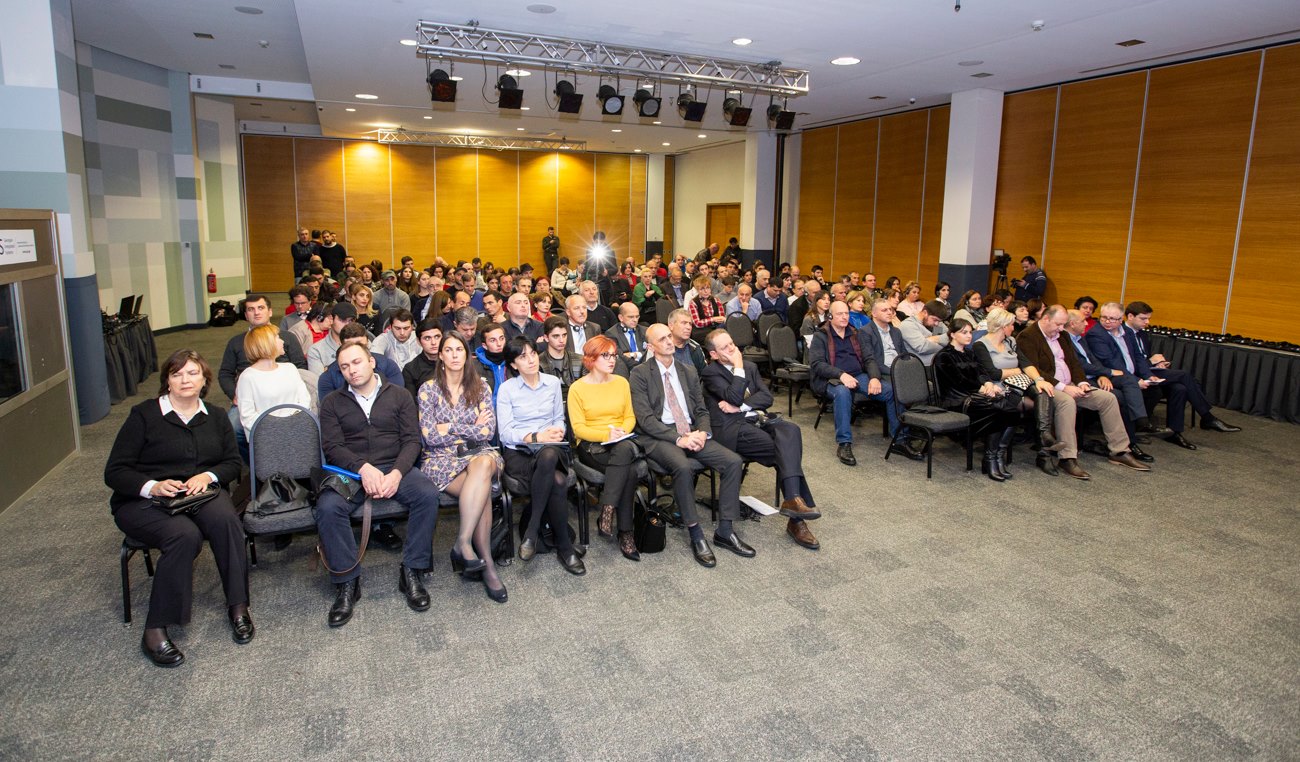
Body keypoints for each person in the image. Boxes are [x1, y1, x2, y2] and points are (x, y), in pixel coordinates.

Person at [106, 349, 249, 667]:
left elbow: (231, 463)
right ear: (167, 381)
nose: (185, 379)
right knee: (184, 536)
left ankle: (238, 606)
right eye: (177, 374)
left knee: (227, 521)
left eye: (192, 373)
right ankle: (155, 630)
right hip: (144, 501)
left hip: (197, 494)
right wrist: (152, 486)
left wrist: (208, 476)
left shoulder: (216, 416)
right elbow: (115, 472)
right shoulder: (144, 415)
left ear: (204, 380)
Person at [316, 342, 441, 626]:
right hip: (351, 471)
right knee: (327, 507)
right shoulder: (332, 402)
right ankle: (347, 582)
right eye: (344, 367)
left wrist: (396, 473)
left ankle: (412, 570)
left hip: (395, 465)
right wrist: (363, 469)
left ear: (372, 362)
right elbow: (332, 447)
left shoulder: (399, 395)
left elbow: (412, 441)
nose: (351, 370)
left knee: (427, 494)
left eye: (356, 362)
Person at [630, 324, 751, 567]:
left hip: (691, 431)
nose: (669, 341)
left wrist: (702, 433)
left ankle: (725, 531)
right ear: (651, 346)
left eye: (669, 336)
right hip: (659, 436)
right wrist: (679, 439)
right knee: (683, 467)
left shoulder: (687, 370)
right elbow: (646, 420)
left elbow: (701, 410)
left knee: (732, 461)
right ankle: (696, 534)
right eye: (662, 339)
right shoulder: (640, 373)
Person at [700, 330, 822, 550]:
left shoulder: (751, 367)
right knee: (786, 451)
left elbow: (766, 397)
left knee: (791, 430)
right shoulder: (711, 372)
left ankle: (794, 501)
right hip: (732, 428)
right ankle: (796, 517)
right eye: (725, 347)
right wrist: (738, 367)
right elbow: (734, 395)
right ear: (714, 354)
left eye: (732, 343)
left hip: (756, 419)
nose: (732, 348)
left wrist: (741, 406)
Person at [418, 333, 508, 603]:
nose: (455, 354)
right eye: (449, 350)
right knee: (481, 490)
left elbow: (487, 432)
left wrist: (448, 427)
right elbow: (429, 437)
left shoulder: (480, 387)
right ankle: (487, 564)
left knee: (484, 462)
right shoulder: (428, 390)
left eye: (459, 349)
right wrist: (469, 428)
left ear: (467, 354)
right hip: (441, 461)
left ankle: (463, 542)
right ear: (440, 355)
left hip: (479, 455)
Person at [1016, 305, 1149, 479]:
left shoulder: (1062, 335)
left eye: (1063, 324)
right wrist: (1064, 387)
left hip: (1070, 383)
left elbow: (1074, 363)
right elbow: (1034, 369)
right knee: (1067, 402)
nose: (1061, 328)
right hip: (1047, 386)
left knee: (1107, 399)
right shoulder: (1028, 336)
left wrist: (1082, 382)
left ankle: (1120, 451)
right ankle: (1067, 457)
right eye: (1058, 324)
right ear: (1046, 319)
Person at [496, 337, 584, 574]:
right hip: (520, 452)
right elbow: (505, 433)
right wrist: (535, 436)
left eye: (533, 353)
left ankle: (532, 531)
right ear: (513, 364)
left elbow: (558, 419)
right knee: (557, 480)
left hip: (551, 449)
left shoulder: (552, 382)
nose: (531, 360)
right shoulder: (507, 389)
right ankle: (565, 547)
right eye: (522, 356)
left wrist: (557, 431)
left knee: (548, 454)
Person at [567, 336, 641, 561]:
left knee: (624, 449)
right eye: (605, 355)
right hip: (592, 444)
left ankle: (608, 509)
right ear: (590, 359)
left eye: (613, 355)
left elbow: (630, 416)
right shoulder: (577, 389)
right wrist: (605, 435)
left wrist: (620, 431)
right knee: (629, 471)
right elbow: (578, 429)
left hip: (621, 439)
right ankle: (626, 533)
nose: (612, 360)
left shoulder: (622, 383)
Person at [810, 300, 909, 466]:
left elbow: (869, 358)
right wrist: (841, 375)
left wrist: (874, 377)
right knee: (842, 392)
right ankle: (844, 443)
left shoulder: (854, 333)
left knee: (891, 391)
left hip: (858, 376)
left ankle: (899, 440)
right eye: (840, 314)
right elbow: (817, 364)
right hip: (832, 379)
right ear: (830, 316)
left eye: (846, 313)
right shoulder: (821, 335)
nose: (844, 317)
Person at [217, 295, 308, 458]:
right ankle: (256, 462)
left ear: (270, 311)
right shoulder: (236, 343)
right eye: (251, 309)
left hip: (286, 391)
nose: (256, 313)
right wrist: (234, 394)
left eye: (261, 308)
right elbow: (225, 373)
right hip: (250, 395)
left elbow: (300, 366)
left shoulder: (287, 338)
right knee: (232, 428)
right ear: (246, 315)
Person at [933, 319, 1020, 481]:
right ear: (953, 334)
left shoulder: (969, 353)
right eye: (964, 332)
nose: (969, 336)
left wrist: (988, 384)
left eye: (970, 332)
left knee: (1010, 408)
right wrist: (983, 388)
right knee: (1000, 409)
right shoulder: (944, 356)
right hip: (956, 399)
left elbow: (982, 372)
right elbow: (958, 381)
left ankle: (996, 456)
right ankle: (990, 458)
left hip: (974, 396)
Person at [1065, 309, 1154, 463]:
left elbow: (1093, 360)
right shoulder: (1065, 340)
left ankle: (1141, 420)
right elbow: (1080, 366)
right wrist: (1108, 371)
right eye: (1083, 321)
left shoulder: (1080, 338)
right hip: (1081, 379)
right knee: (1119, 397)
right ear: (1072, 324)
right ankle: (1129, 442)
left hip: (1097, 376)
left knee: (1129, 381)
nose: (1087, 323)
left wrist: (1103, 375)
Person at [234, 324, 311, 437]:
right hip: (266, 437)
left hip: (297, 430)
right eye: (277, 337)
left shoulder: (290, 368)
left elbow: (305, 399)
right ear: (266, 343)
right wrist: (277, 428)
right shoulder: (247, 377)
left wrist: (294, 421)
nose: (282, 341)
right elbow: (248, 416)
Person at [307, 302, 358, 374]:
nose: (347, 324)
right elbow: (319, 380)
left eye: (351, 320)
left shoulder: (364, 342)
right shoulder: (316, 350)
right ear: (331, 319)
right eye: (342, 320)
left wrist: (328, 370)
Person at [898, 299, 951, 366]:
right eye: (935, 320)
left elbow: (951, 338)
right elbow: (923, 348)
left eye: (939, 321)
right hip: (922, 367)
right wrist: (943, 344)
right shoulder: (908, 325)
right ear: (925, 313)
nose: (937, 323)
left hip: (939, 363)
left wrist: (935, 339)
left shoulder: (937, 324)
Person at [403, 318, 443, 400]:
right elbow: (410, 403)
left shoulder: (453, 361)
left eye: (437, 337)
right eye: (427, 338)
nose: (433, 342)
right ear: (418, 341)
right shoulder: (410, 369)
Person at [666, 308, 707, 374]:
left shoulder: (695, 347)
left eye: (690, 324)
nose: (689, 327)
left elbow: (705, 375)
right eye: (684, 323)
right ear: (671, 326)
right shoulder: (660, 348)